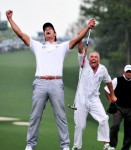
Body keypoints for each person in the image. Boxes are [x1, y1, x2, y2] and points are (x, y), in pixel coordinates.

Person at [6, 10, 96, 150]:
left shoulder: (61, 47)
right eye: (45, 29)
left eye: (49, 29)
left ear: (54, 34)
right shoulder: (38, 46)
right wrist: (10, 19)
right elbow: (20, 34)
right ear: (44, 35)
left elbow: (77, 39)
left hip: (56, 83)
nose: (47, 30)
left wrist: (87, 26)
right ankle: (30, 146)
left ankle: (65, 146)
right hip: (40, 82)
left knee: (61, 117)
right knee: (35, 116)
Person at [71, 40, 117, 150]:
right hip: (81, 99)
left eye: (96, 57)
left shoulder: (102, 69)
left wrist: (113, 95)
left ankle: (106, 145)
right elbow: (80, 49)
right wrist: (80, 39)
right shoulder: (83, 63)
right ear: (88, 58)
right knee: (80, 125)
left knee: (104, 118)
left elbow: (109, 81)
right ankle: (76, 146)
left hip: (94, 99)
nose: (93, 58)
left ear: (99, 60)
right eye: (91, 56)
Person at [104, 65, 131, 150]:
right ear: (124, 72)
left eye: (130, 72)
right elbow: (106, 90)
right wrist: (110, 100)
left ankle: (125, 148)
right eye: (127, 72)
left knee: (128, 130)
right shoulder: (117, 80)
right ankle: (112, 146)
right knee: (115, 126)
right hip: (118, 108)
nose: (128, 73)